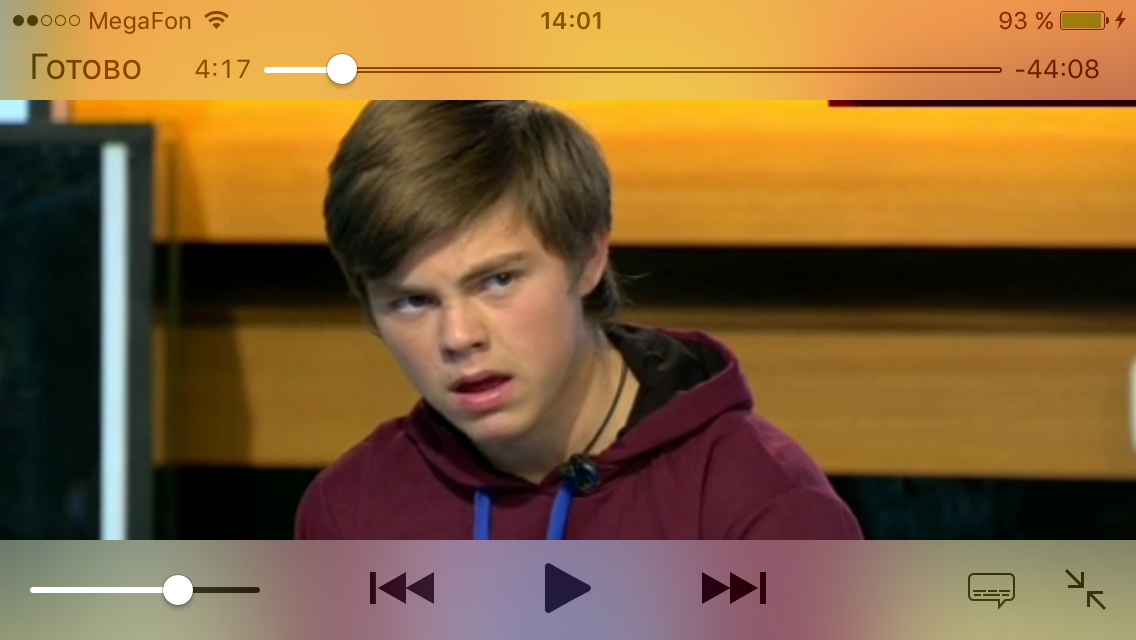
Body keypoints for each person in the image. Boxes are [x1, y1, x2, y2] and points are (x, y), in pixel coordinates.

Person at [295, 101, 863, 540]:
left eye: (498, 280)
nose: (459, 337)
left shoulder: (766, 505)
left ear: (589, 257)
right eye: (413, 301)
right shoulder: (349, 512)